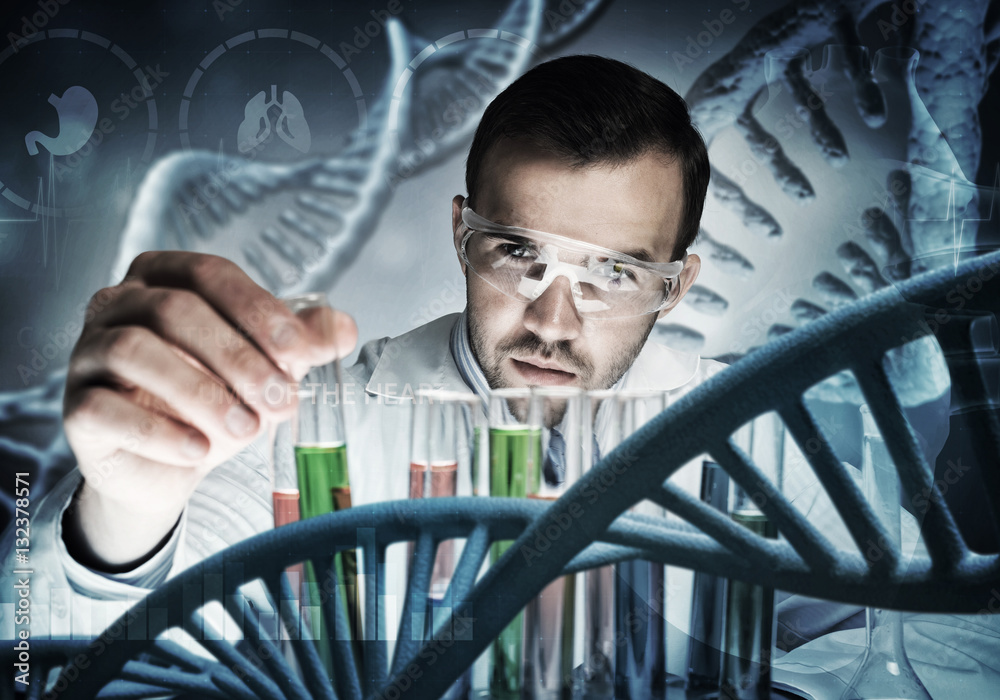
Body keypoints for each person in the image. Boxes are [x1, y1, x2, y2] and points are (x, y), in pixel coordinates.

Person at [1, 54, 718, 644]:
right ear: (462, 235)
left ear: (677, 284)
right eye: (517, 250)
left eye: (615, 273)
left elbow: (832, 639)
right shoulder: (308, 423)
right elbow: (46, 658)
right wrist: (124, 519)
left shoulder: (756, 434)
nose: (554, 321)